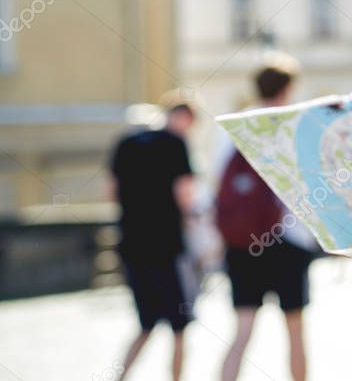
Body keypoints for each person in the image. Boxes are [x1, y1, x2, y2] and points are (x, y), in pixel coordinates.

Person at [219, 53, 317, 381]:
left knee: (242, 331)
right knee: (295, 332)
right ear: (287, 88)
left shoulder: (231, 127)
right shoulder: (292, 124)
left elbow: (216, 189)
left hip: (241, 244)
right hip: (288, 239)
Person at [108, 90, 198, 381]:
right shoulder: (175, 143)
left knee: (146, 324)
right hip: (168, 246)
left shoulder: (125, 142)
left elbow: (110, 192)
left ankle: (119, 376)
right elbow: (185, 194)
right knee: (180, 326)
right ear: (183, 116)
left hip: (132, 244)